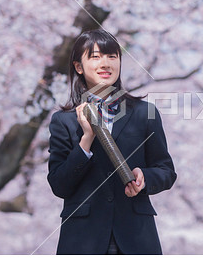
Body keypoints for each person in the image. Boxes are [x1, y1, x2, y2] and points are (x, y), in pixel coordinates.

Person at [47, 29, 177, 255]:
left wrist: (144, 178)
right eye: (95, 57)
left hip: (136, 235)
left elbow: (166, 170)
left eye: (112, 56)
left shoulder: (144, 113)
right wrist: (86, 141)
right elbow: (59, 185)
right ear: (79, 67)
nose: (105, 63)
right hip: (82, 239)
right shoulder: (63, 122)